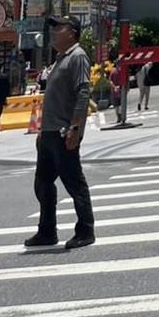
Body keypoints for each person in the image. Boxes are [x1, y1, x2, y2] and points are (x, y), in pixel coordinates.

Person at [26, 16, 95, 251]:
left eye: (59, 27)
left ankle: (85, 230)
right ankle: (47, 231)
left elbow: (83, 92)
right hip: (49, 132)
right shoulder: (60, 59)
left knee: (74, 182)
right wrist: (43, 130)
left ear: (72, 32)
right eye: (53, 27)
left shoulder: (78, 56)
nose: (54, 31)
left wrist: (75, 128)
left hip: (64, 132)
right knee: (43, 183)